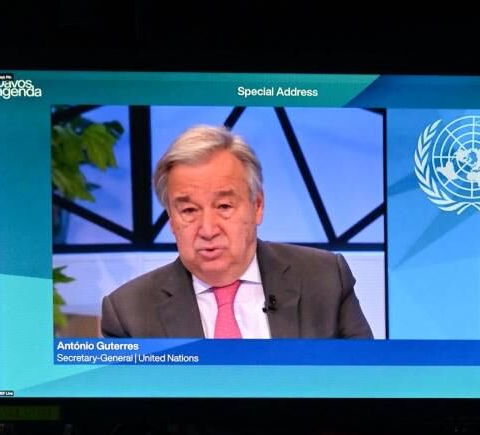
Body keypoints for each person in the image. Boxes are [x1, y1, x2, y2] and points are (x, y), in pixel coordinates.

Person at [100, 125, 372, 339]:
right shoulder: (128, 313)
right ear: (172, 220)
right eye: (189, 211)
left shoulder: (325, 279)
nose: (207, 230)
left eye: (224, 206)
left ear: (257, 206)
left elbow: (368, 384)